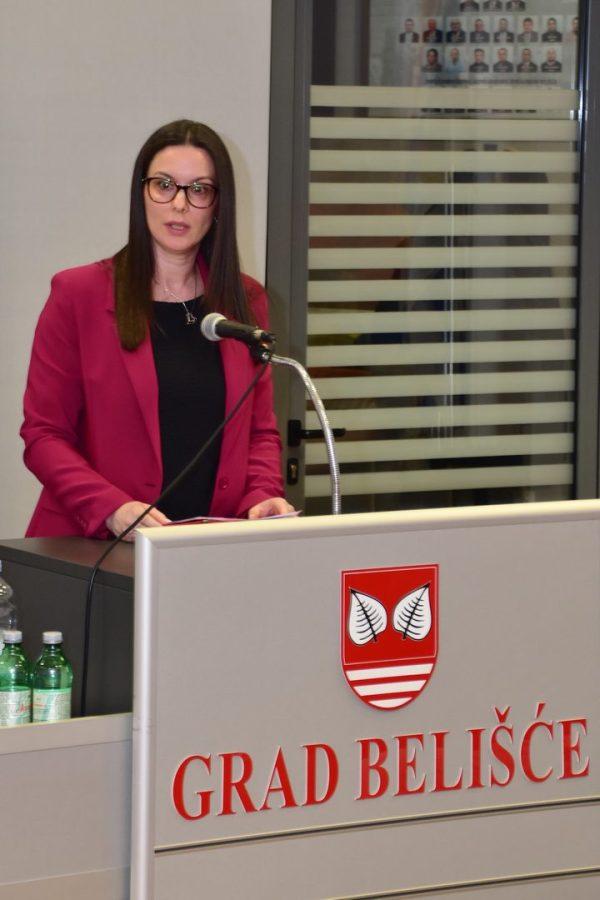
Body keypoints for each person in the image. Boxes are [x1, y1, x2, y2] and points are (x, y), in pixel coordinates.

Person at [21, 120, 292, 540]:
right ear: (141, 193)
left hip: (206, 548)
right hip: (95, 548)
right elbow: (44, 435)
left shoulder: (246, 300)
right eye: (164, 185)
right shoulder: (78, 295)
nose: (179, 204)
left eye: (199, 189)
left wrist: (263, 494)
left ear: (218, 205)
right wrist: (111, 508)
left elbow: (259, 431)